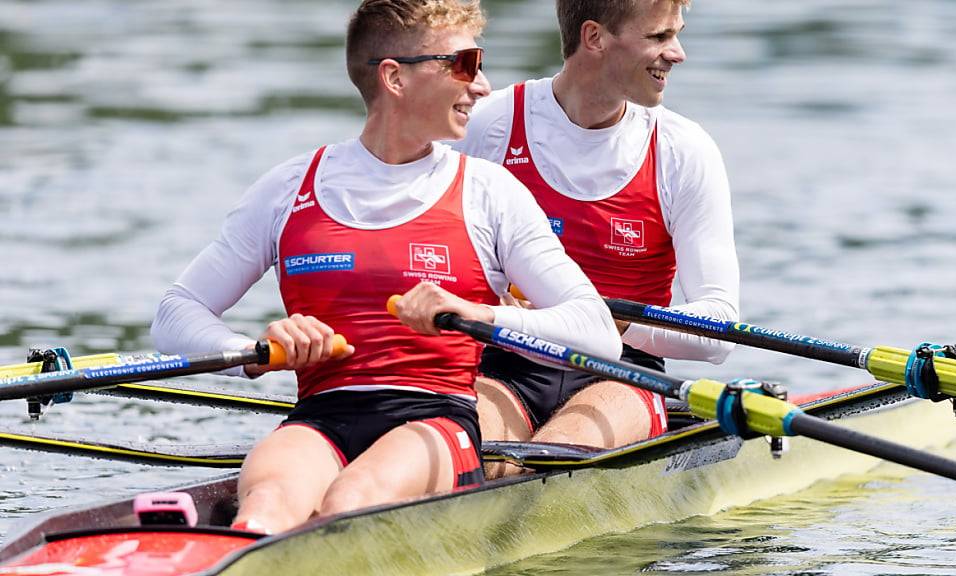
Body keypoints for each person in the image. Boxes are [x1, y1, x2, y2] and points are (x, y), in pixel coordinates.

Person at [151, 0, 620, 534]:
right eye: (463, 64)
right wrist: (254, 354)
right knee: (264, 508)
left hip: (437, 421)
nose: (483, 86)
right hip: (322, 415)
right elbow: (174, 313)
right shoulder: (289, 188)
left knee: (353, 500)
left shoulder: (489, 193)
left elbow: (596, 332)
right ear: (394, 77)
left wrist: (477, 314)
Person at [453, 0, 739, 465]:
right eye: (659, 37)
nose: (678, 53)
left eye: (675, 34)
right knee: (479, 462)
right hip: (506, 365)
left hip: (624, 373)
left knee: (552, 459)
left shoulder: (682, 150)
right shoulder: (492, 125)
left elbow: (720, 332)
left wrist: (605, 321)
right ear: (595, 38)